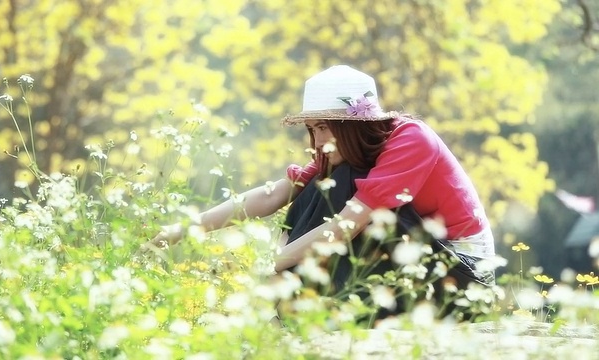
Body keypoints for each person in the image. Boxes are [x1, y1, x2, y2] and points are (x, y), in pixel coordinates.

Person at [144, 65, 495, 318]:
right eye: (312, 129)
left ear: (353, 125)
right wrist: (181, 230)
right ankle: (296, 298)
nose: (316, 141)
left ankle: (289, 297)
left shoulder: (411, 139)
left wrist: (268, 267)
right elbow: (272, 195)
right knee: (318, 184)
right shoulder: (345, 154)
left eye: (324, 127)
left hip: (458, 270)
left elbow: (348, 224)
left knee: (340, 182)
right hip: (412, 255)